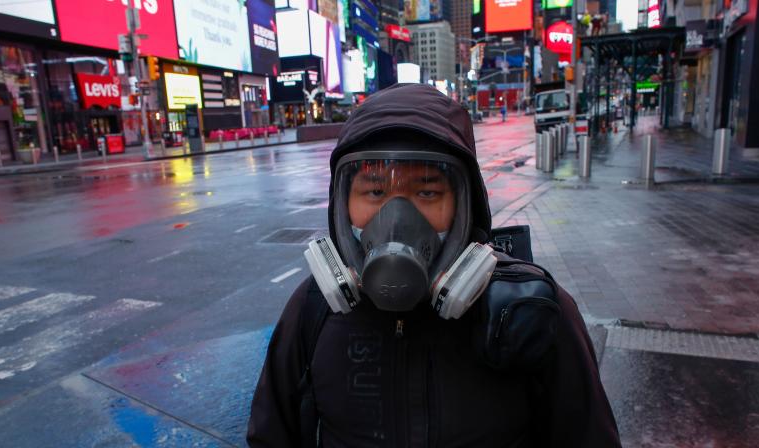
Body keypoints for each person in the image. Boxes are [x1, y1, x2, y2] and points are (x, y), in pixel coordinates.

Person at [247, 83, 621, 448]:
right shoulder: (313, 311)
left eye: (427, 192)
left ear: (464, 204)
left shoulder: (529, 313)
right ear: (343, 204)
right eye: (375, 192)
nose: (395, 219)